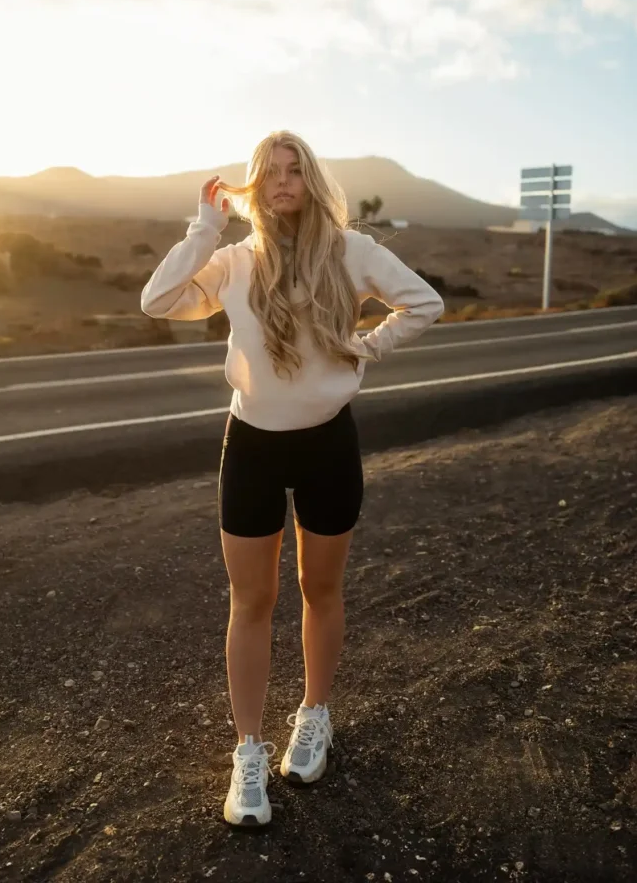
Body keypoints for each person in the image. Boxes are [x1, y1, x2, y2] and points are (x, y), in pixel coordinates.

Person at [140, 130, 444, 828]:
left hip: (327, 444)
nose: (282, 182)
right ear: (253, 185)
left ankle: (314, 715)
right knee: (251, 601)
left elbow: (424, 303)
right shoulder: (234, 261)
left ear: (311, 181)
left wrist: (364, 347)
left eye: (294, 170)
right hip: (251, 446)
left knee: (319, 589)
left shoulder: (350, 252)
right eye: (269, 172)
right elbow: (159, 300)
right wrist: (204, 228)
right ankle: (248, 752)